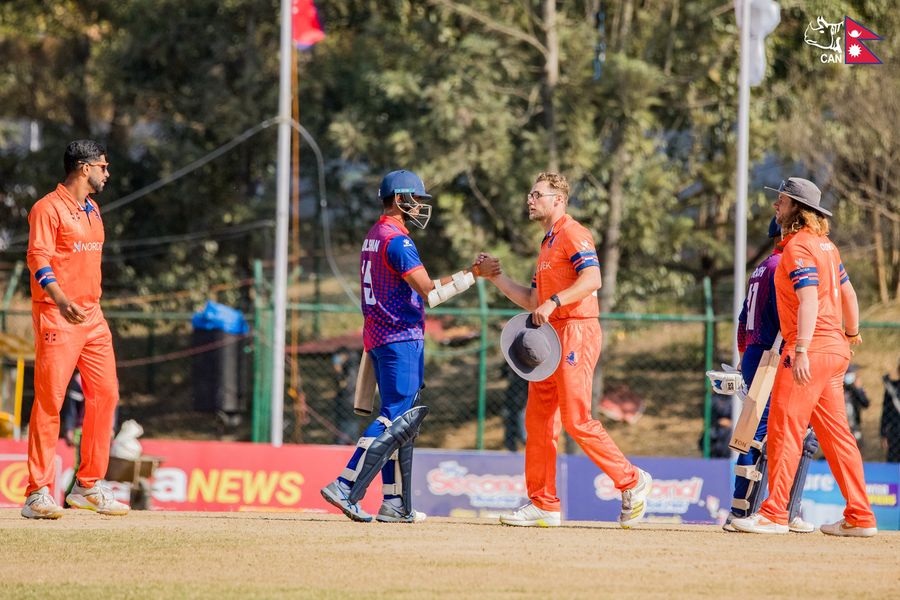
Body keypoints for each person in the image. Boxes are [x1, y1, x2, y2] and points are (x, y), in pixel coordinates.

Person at [477, 172, 652, 528]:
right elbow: (530, 300)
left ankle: (632, 480)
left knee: (576, 419)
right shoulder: (546, 244)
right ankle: (543, 503)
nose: (530, 199)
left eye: (537, 194)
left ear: (558, 200)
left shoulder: (574, 233)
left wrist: (555, 301)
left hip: (576, 331)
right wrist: (495, 277)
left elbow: (592, 280)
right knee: (538, 421)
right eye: (530, 192)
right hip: (549, 339)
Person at [320, 169, 480, 523]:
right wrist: (472, 275)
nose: (420, 207)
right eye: (416, 199)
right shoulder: (398, 240)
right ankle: (346, 485)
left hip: (379, 337)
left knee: (402, 419)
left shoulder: (374, 236)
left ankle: (395, 503)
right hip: (400, 337)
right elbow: (431, 293)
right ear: (399, 199)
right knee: (395, 417)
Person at [733, 177, 877, 537]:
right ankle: (860, 516)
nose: (775, 207)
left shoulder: (797, 247)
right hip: (835, 351)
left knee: (784, 429)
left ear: (797, 208)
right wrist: (851, 332)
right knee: (837, 436)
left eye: (781, 201)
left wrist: (800, 349)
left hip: (808, 351)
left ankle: (774, 513)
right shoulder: (826, 246)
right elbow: (850, 294)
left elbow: (809, 299)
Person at [21, 140, 129, 519]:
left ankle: (87, 485)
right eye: (103, 165)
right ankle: (37, 492)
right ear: (84, 168)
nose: (107, 172)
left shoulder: (93, 209)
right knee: (50, 402)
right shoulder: (47, 208)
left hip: (92, 317)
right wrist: (60, 298)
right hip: (57, 314)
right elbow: (37, 256)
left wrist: (83, 303)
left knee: (107, 395)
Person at [724, 217, 816, 533]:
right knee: (771, 433)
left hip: (753, 352)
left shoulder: (761, 266)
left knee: (753, 430)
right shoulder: (783, 265)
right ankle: (768, 510)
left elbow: (740, 320)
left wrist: (742, 357)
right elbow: (787, 316)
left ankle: (744, 507)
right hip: (771, 355)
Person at [501, 363, 527, 452]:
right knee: (509, 423)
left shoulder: (529, 372)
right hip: (511, 401)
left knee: (522, 425)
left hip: (522, 403)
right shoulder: (511, 367)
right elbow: (502, 373)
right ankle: (511, 448)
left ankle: (525, 443)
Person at [842, 364, 870, 448]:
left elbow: (866, 403)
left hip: (854, 429)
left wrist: (859, 389)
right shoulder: (839, 389)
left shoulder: (856, 391)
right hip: (841, 428)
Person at [881, 358, 900, 462]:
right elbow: (885, 412)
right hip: (895, 432)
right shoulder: (892, 388)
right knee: (893, 460)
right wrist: (883, 434)